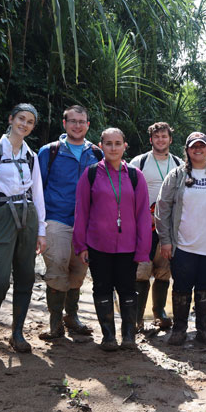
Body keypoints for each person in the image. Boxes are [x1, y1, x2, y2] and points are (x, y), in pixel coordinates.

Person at [0, 103, 47, 356]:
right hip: (2, 216)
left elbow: (37, 194)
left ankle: (17, 333)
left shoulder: (31, 156)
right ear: (11, 119)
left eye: (29, 122)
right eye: (21, 119)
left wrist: (42, 231)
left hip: (29, 217)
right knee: (0, 279)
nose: (24, 124)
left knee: (26, 276)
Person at [155, 132, 206, 347]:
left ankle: (204, 329)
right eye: (194, 146)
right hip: (182, 245)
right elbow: (162, 209)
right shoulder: (176, 176)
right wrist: (165, 240)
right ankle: (179, 329)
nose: (198, 149)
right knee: (181, 287)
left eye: (202, 145)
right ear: (187, 149)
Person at [72, 128, 151, 351]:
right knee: (102, 288)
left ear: (125, 146)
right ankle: (108, 336)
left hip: (128, 246)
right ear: (101, 146)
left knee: (127, 288)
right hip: (98, 244)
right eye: (108, 143)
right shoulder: (90, 174)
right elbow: (82, 212)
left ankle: (128, 336)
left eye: (118, 143)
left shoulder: (136, 176)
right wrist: (81, 245)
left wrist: (142, 248)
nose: (113, 148)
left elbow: (143, 214)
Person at [36, 105, 103, 341]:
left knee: (78, 271)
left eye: (81, 121)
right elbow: (37, 189)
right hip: (56, 219)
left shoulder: (96, 154)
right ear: (64, 123)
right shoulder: (49, 152)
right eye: (72, 121)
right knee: (56, 269)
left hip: (86, 224)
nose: (77, 125)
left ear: (88, 125)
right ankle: (55, 323)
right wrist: (38, 226)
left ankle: (71, 316)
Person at [128, 122, 183, 332]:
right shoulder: (139, 162)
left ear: (170, 139)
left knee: (164, 270)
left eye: (164, 136)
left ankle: (159, 312)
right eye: (157, 137)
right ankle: (136, 318)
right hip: (144, 225)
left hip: (169, 227)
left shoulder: (179, 163)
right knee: (141, 271)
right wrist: (140, 217)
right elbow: (127, 193)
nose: (161, 140)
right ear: (151, 139)